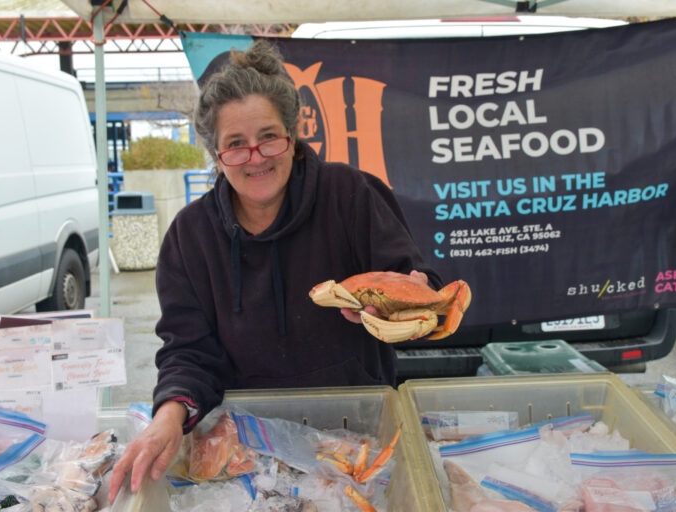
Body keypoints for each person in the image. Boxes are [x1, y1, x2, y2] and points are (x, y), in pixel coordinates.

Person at [108, 40, 441, 502]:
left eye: (268, 136)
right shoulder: (191, 236)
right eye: (235, 145)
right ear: (215, 153)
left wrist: (409, 308)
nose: (256, 156)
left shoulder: (351, 195)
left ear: (293, 132)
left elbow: (416, 287)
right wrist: (167, 417)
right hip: (245, 452)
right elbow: (188, 351)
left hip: (356, 438)